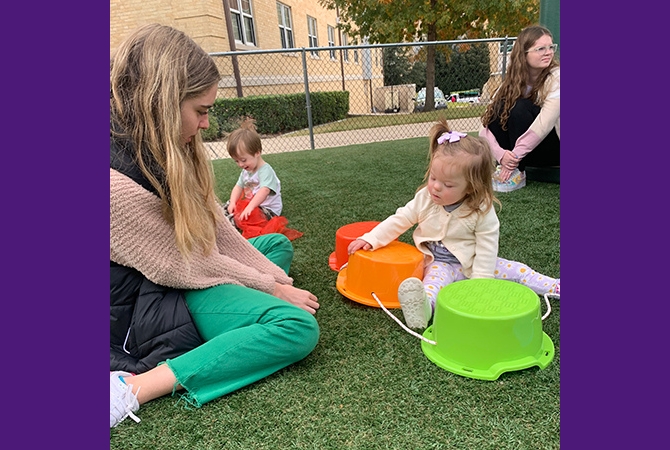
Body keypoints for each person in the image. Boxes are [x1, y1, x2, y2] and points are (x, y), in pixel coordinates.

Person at [109, 24, 320, 428]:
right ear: (163, 102)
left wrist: (273, 280)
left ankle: (235, 317)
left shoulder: (157, 142)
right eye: (201, 111)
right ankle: (131, 387)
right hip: (151, 298)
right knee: (295, 327)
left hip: (180, 270)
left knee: (275, 247)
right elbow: (182, 264)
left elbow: (216, 232)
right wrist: (271, 290)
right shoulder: (110, 184)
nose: (206, 124)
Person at [347, 119, 559, 329]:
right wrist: (371, 238)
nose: (436, 187)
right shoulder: (425, 198)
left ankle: (555, 286)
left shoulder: (481, 208)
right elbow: (400, 219)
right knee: (431, 287)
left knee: (519, 271)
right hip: (438, 263)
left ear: (471, 188)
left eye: (447, 184)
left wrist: (480, 284)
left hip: (473, 263)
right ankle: (423, 311)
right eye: (433, 178)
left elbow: (487, 247)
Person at [480, 25, 560, 192]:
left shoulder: (557, 77)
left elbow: (544, 124)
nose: (548, 52)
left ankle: (517, 170)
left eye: (550, 47)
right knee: (500, 106)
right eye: (540, 49)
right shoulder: (510, 83)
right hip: (522, 154)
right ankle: (509, 168)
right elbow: (484, 127)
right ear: (524, 54)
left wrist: (514, 158)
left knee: (520, 106)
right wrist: (501, 155)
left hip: (554, 149)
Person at [224, 118, 282, 226]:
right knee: (228, 205)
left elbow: (264, 191)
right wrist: (232, 202)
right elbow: (238, 187)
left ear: (257, 153)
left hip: (268, 210)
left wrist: (250, 207)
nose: (241, 164)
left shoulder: (265, 170)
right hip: (251, 204)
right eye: (236, 161)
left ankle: (230, 222)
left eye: (243, 160)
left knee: (248, 217)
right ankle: (224, 216)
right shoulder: (246, 170)